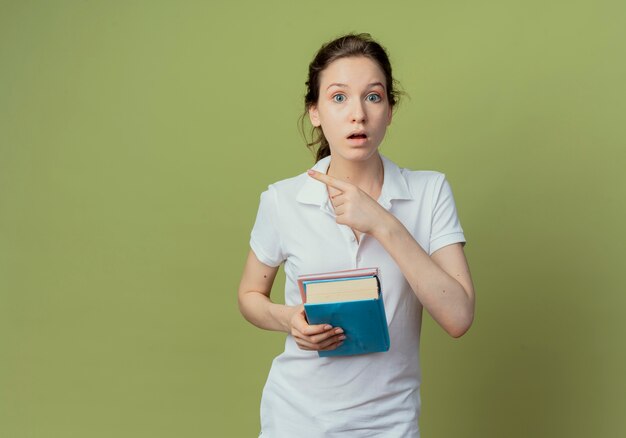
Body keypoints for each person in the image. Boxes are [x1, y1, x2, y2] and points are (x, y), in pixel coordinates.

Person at [238, 32, 475, 437]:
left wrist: (383, 223)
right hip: (296, 421)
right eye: (339, 97)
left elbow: (458, 317)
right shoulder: (283, 199)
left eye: (373, 96)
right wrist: (288, 318)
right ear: (315, 111)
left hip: (390, 425)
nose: (358, 115)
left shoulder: (429, 191)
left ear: (390, 110)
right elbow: (249, 296)